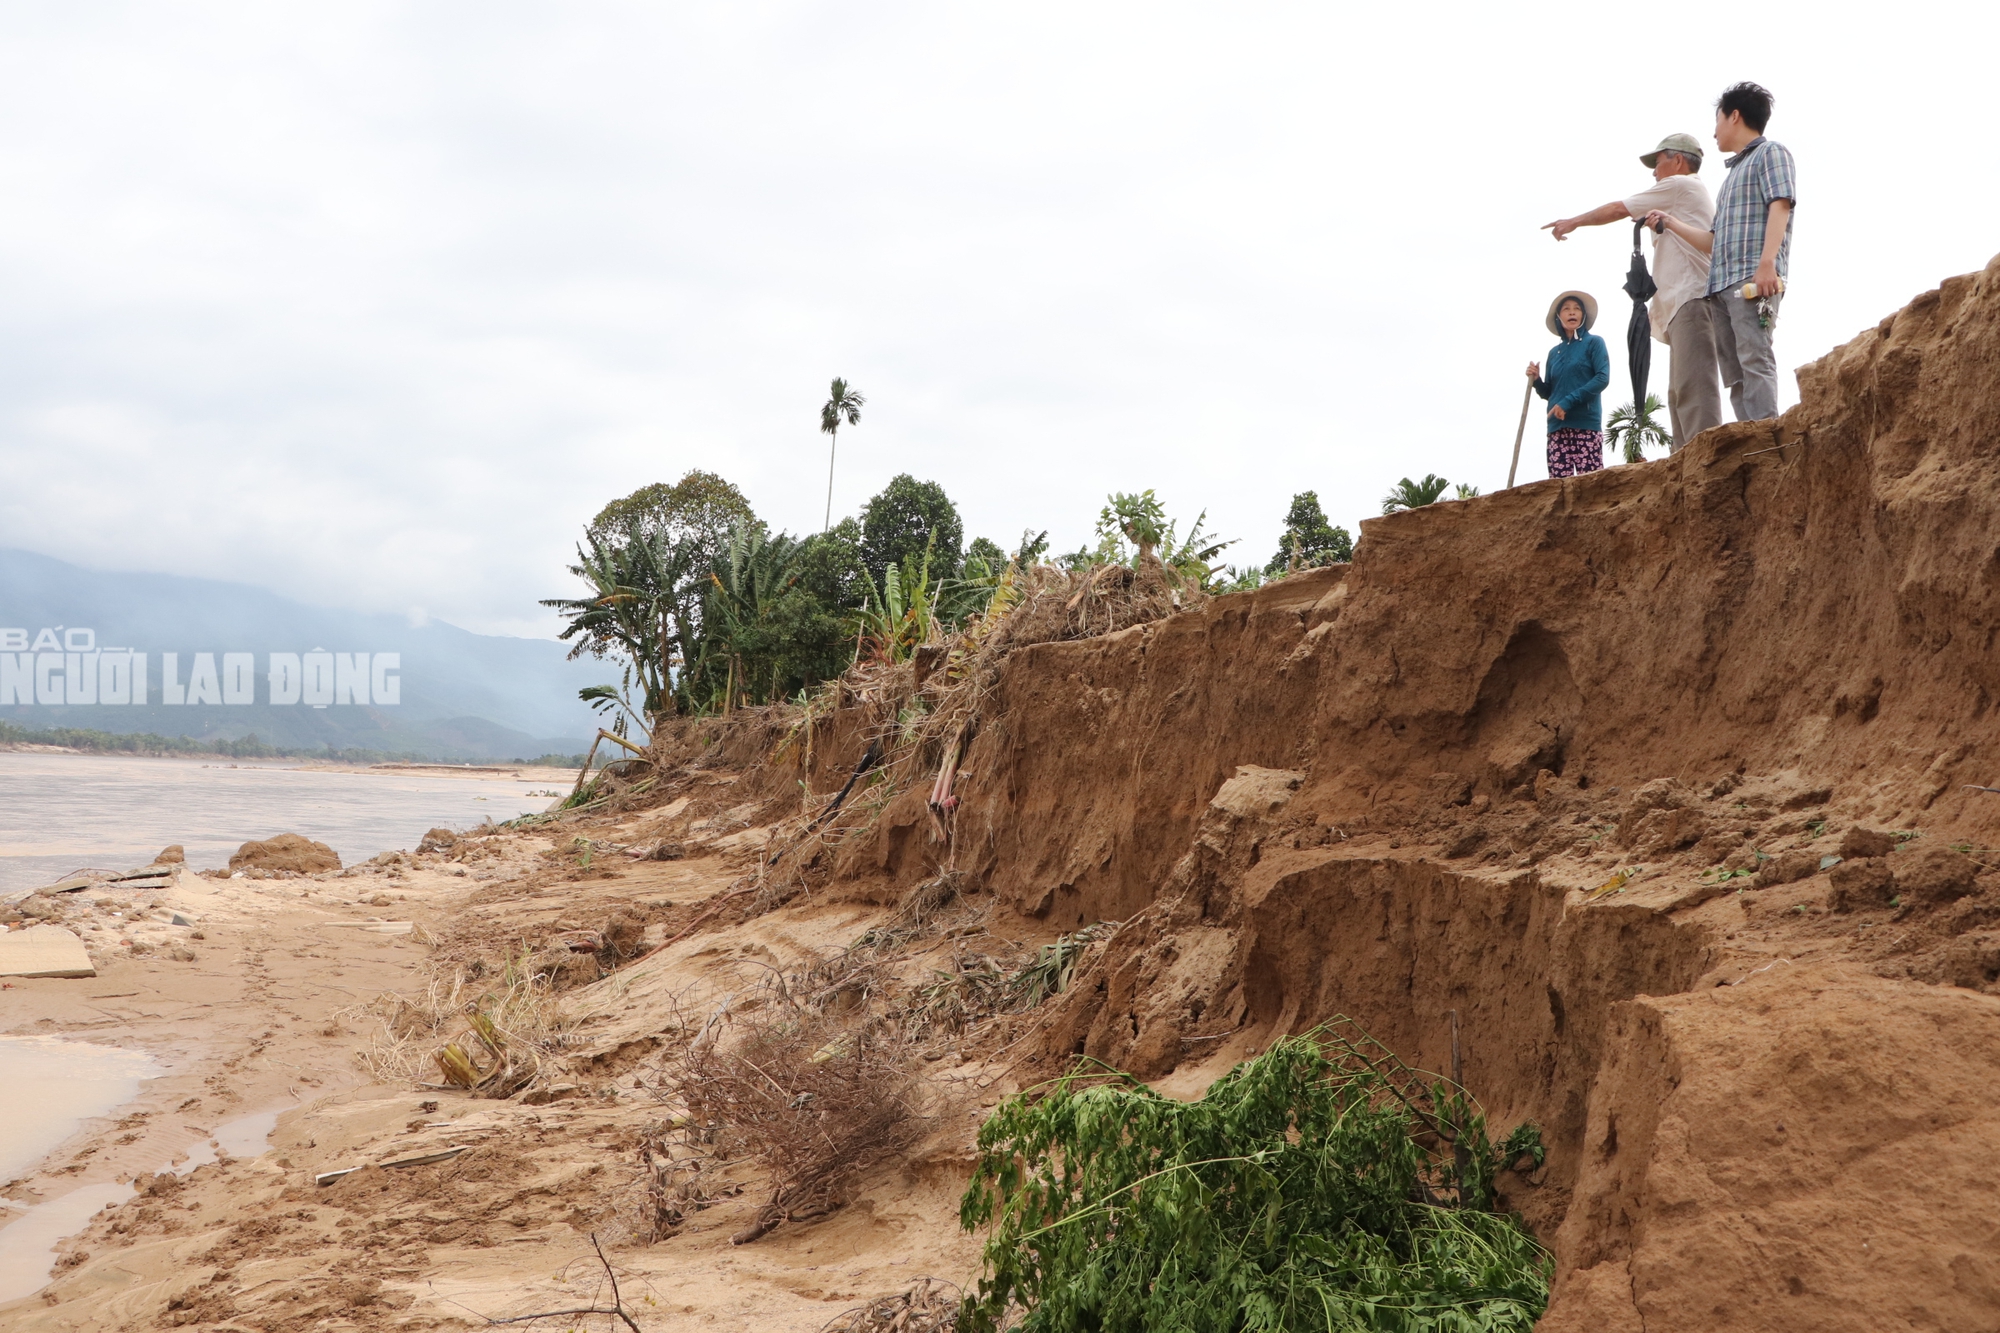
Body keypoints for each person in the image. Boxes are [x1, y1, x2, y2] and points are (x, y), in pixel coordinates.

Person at [1542, 133, 1720, 450]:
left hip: (1693, 299)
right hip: (1682, 304)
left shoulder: (1681, 185)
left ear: (1677, 160)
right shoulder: (1682, 197)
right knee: (1679, 392)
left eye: (1658, 162)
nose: (1653, 172)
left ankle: (1705, 461)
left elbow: (1618, 209)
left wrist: (1573, 221)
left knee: (1695, 389)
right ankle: (1686, 465)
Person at [1645, 82, 1796, 422]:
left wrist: (1768, 263)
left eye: (1718, 120)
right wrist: (1671, 223)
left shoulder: (1771, 153)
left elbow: (1781, 206)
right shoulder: (1729, 180)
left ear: (1735, 116)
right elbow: (1714, 241)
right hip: (1721, 287)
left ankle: (1766, 434)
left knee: (1754, 356)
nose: (1714, 132)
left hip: (1751, 278)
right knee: (1735, 372)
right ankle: (1750, 435)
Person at [1526, 292, 1610, 479]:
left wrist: (1568, 402)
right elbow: (1551, 392)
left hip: (1585, 425)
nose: (1572, 313)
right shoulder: (1554, 353)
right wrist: (1537, 381)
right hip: (1557, 429)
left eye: (1577, 308)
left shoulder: (1594, 343)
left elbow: (1602, 378)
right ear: (1558, 317)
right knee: (1558, 488)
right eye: (1566, 309)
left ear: (1583, 315)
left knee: (1590, 486)